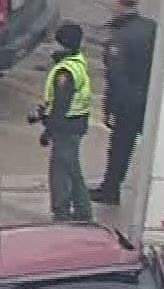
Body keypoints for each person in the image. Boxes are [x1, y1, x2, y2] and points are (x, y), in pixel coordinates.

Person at [90, 0, 156, 206]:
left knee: (120, 147)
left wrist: (110, 107)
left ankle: (111, 189)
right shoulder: (151, 27)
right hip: (151, 97)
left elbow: (116, 77)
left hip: (128, 102)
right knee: (154, 145)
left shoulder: (120, 36)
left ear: (120, 4)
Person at [37, 23, 93, 223]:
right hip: (74, 125)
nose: (52, 45)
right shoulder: (77, 62)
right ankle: (80, 211)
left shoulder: (65, 72)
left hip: (66, 128)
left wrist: (47, 131)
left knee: (64, 170)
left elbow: (61, 105)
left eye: (56, 41)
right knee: (70, 167)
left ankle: (66, 211)